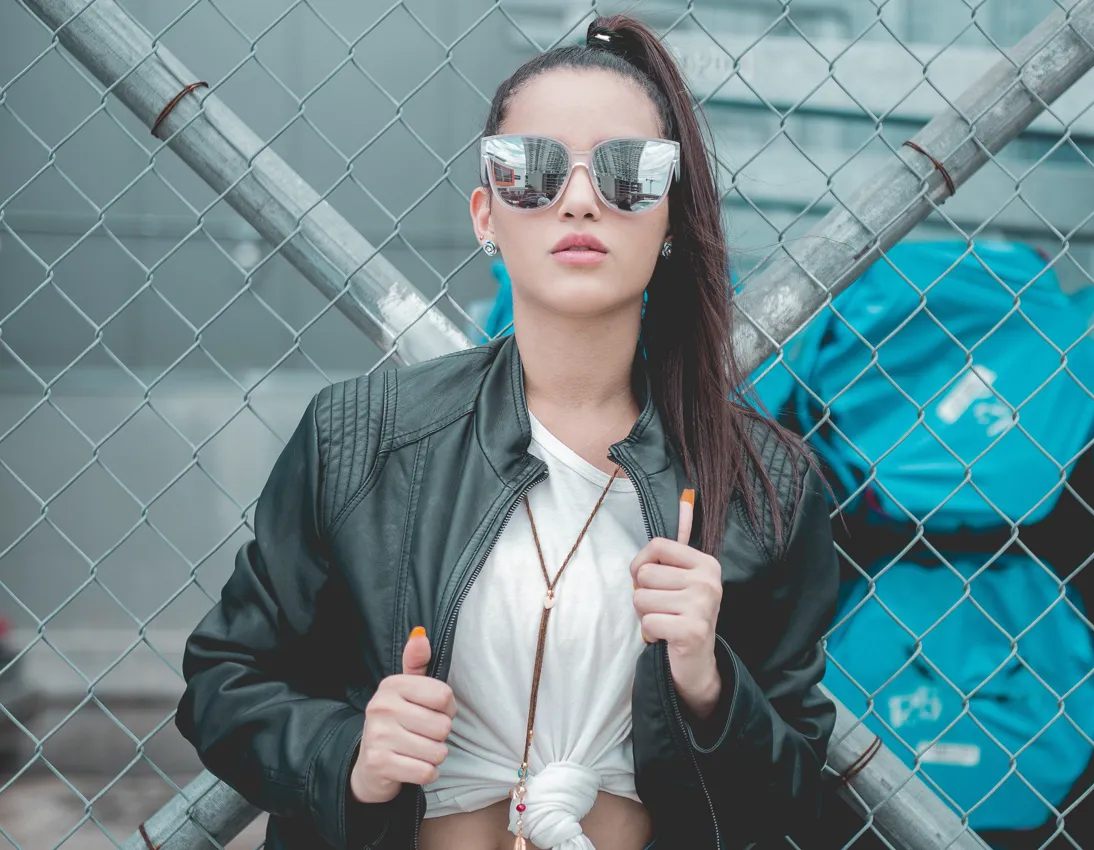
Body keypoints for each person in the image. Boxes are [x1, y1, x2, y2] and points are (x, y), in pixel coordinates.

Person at [175, 14, 840, 850]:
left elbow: (793, 798)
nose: (581, 197)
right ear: (486, 215)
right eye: (534, 169)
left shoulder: (762, 482)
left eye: (629, 171)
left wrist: (708, 682)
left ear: (669, 219)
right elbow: (224, 680)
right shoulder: (361, 439)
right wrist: (352, 754)